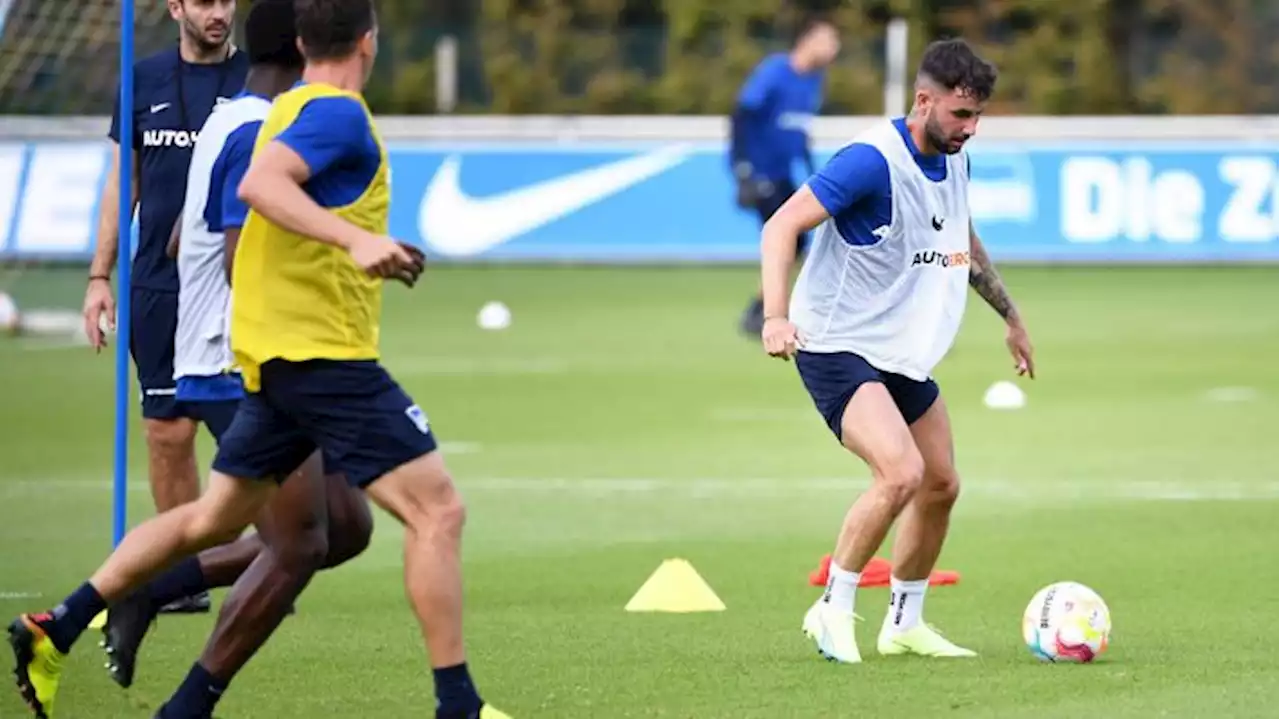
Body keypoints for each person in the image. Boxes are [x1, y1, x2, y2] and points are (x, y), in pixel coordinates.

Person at [8, 1, 509, 717]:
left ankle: (59, 626)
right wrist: (354, 242)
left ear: (305, 42)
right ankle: (456, 704)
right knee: (436, 513)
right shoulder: (331, 114)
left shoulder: (261, 115)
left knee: (220, 518)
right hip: (319, 358)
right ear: (370, 42)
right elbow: (256, 192)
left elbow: (191, 232)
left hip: (269, 361)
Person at [99, 0, 374, 703]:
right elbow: (215, 243)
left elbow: (192, 232)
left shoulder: (243, 108)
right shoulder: (225, 113)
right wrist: (102, 275)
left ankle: (143, 593)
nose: (216, 9)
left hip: (236, 337)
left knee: (332, 527)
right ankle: (120, 607)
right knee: (296, 531)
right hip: (233, 342)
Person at [759, 38, 1035, 663]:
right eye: (961, 115)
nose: (971, 129)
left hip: (898, 349)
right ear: (922, 101)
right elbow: (781, 226)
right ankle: (832, 607)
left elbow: (961, 233)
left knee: (940, 483)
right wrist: (775, 316)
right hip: (833, 343)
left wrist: (1011, 316)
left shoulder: (956, 159)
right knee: (901, 473)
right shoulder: (870, 161)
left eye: (978, 116)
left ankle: (903, 622)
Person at [82, 0, 249, 615]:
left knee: (249, 434)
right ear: (175, 7)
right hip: (156, 286)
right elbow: (121, 184)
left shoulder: (255, 81)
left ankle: (272, 558)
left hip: (233, 288)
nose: (218, 12)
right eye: (204, 1)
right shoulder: (143, 79)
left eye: (227, 0)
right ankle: (186, 577)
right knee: (165, 433)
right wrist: (101, 275)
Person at [732, 14, 840, 337]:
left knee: (799, 239)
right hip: (762, 170)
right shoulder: (776, 71)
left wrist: (810, 171)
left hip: (784, 173)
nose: (834, 49)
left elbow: (800, 130)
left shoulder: (814, 80)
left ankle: (761, 308)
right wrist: (742, 168)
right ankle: (765, 311)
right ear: (807, 40)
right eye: (828, 40)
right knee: (788, 235)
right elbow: (742, 114)